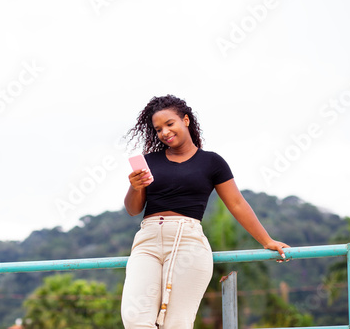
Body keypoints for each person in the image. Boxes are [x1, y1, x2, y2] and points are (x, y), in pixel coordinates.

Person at [120, 94, 290, 328]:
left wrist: (266, 240)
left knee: (176, 323)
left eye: (170, 124)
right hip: (147, 242)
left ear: (186, 120)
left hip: (188, 242)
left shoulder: (211, 162)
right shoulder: (150, 161)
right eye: (158, 129)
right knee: (134, 318)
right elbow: (133, 209)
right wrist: (134, 187)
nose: (165, 132)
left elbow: (237, 204)